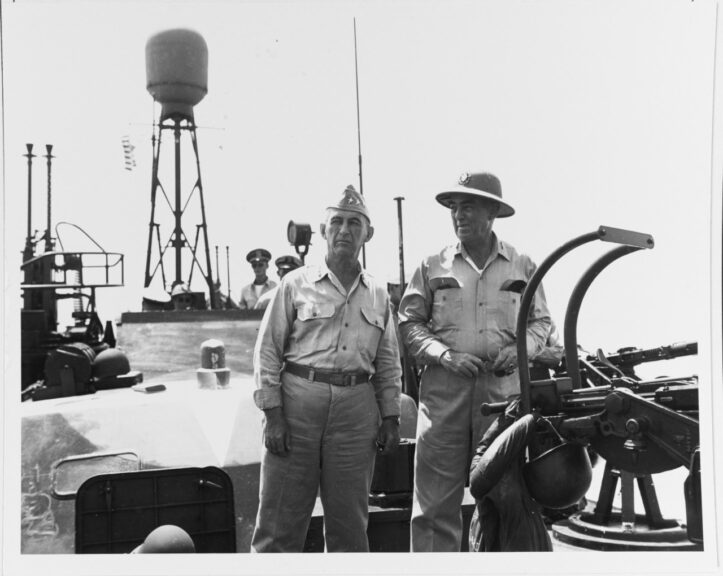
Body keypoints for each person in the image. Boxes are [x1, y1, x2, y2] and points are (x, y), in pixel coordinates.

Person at [398, 171, 551, 552]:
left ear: (492, 212)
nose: (458, 215)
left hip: (502, 398)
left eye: (468, 206)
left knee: (506, 498)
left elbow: (541, 322)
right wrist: (445, 355)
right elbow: (409, 323)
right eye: (454, 207)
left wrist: (520, 353)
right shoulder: (432, 265)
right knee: (433, 507)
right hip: (443, 398)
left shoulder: (523, 265)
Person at [250, 185, 403, 552]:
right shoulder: (294, 284)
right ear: (323, 230)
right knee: (279, 523)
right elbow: (267, 352)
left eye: (355, 223)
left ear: (368, 233)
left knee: (350, 525)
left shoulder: (378, 294)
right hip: (298, 406)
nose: (345, 230)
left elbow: (387, 362)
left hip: (355, 413)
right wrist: (273, 415)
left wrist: (391, 417)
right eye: (336, 221)